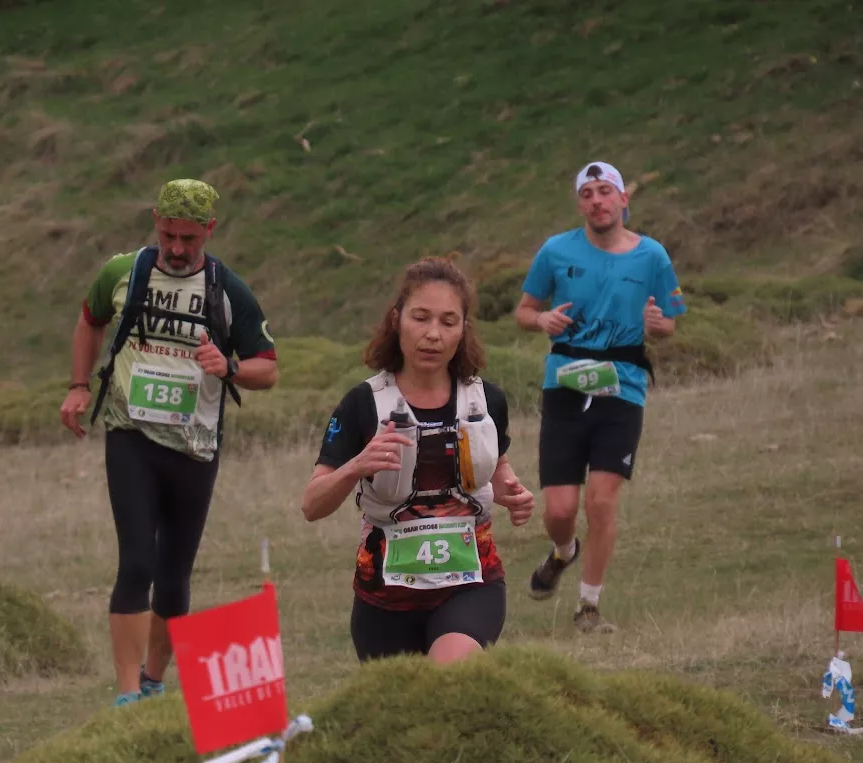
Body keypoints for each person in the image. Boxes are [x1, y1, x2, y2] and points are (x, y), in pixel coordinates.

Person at [59, 178, 279, 706]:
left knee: (175, 573)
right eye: (167, 235)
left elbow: (267, 369)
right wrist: (76, 385)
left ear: (209, 230)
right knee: (136, 562)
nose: (177, 249)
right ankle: (128, 692)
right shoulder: (124, 271)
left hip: (194, 446)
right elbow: (89, 322)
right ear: (155, 220)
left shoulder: (229, 290)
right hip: (129, 433)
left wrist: (227, 366)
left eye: (188, 239)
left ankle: (155, 679)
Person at [301, 256, 535, 665]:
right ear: (397, 320)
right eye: (421, 318)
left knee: (451, 675)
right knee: (404, 715)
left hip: (471, 584)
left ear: (464, 329)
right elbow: (312, 505)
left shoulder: (486, 400)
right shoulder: (362, 404)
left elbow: (496, 468)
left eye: (448, 322)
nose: (433, 335)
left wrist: (512, 492)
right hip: (383, 599)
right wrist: (357, 465)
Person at [514, 160, 685, 633]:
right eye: (587, 193)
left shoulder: (652, 257)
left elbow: (670, 323)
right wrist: (541, 320)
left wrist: (659, 327)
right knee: (561, 510)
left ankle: (588, 606)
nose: (597, 200)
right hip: (565, 383)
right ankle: (563, 552)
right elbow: (524, 311)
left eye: (605, 190)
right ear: (579, 204)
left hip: (623, 386)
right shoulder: (555, 251)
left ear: (623, 200)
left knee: (602, 502)